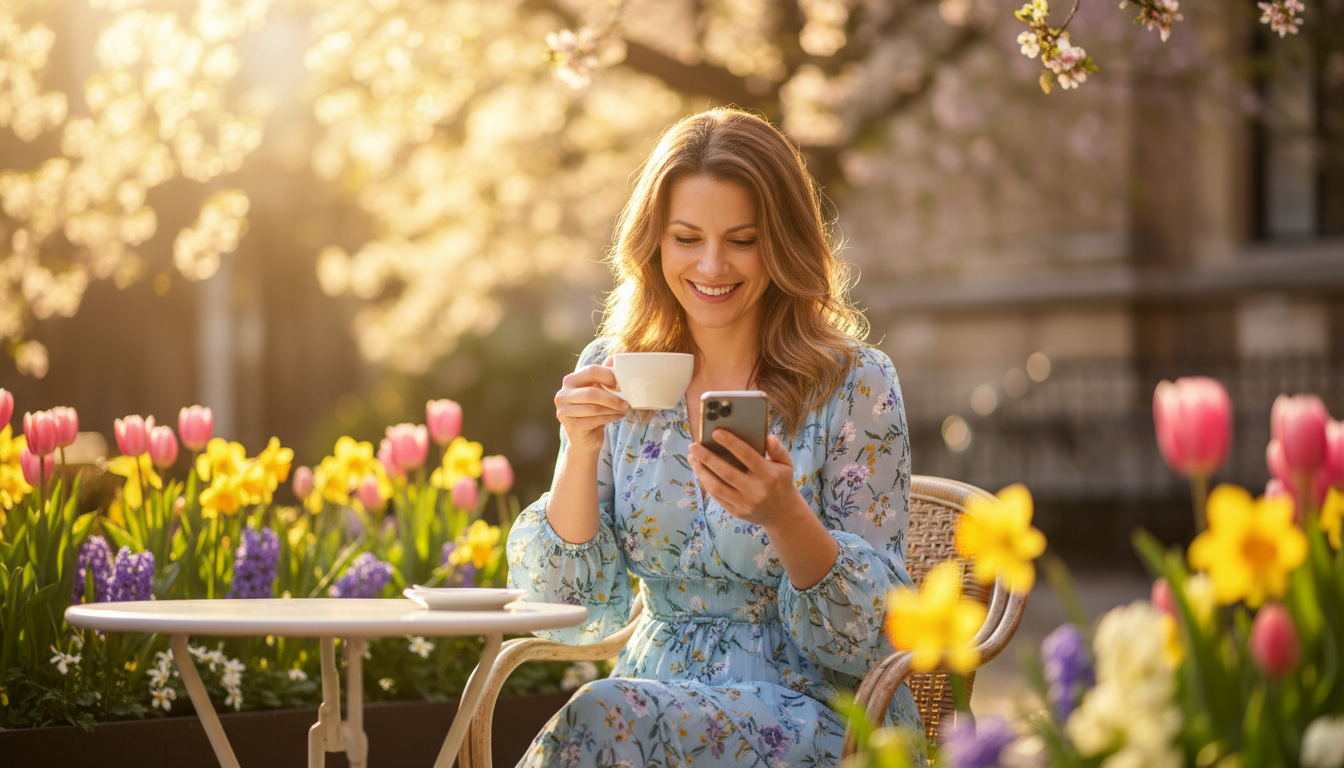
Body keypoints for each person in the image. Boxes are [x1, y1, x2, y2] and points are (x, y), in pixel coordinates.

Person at [507, 108, 924, 767]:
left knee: (602, 715)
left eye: (741, 239)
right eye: (686, 237)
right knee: (612, 714)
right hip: (654, 706)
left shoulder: (853, 382)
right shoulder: (617, 371)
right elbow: (568, 607)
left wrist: (785, 517)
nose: (711, 264)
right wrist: (580, 452)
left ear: (781, 243)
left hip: (822, 712)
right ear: (655, 244)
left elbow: (879, 631)